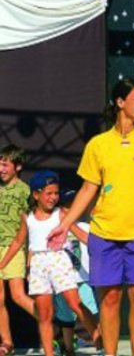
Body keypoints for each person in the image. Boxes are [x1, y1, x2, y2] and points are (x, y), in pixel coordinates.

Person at [47, 78, 134, 356]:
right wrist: (64, 225)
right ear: (120, 102)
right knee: (110, 299)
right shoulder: (98, 145)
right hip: (104, 234)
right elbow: (88, 188)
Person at [0, 171, 100, 356]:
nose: (53, 197)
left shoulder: (61, 214)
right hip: (38, 265)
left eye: (56, 193)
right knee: (44, 314)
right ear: (36, 195)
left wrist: (104, 248)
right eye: (49, 193)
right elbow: (18, 241)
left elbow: (81, 235)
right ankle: (49, 353)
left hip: (58, 260)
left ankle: (97, 336)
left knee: (74, 302)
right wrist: (2, 264)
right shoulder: (28, 217)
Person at [52, 189, 101, 356]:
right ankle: (69, 349)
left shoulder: (86, 227)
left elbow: (93, 246)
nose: (69, 210)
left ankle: (101, 343)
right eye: (66, 206)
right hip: (62, 279)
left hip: (83, 277)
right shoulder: (54, 228)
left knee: (91, 311)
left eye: (73, 206)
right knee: (65, 316)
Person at [0, 144, 36, 356]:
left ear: (18, 166)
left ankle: (55, 327)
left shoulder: (25, 191)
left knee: (18, 295)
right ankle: (7, 342)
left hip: (14, 248)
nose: (1, 169)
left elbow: (26, 229)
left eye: (5, 165)